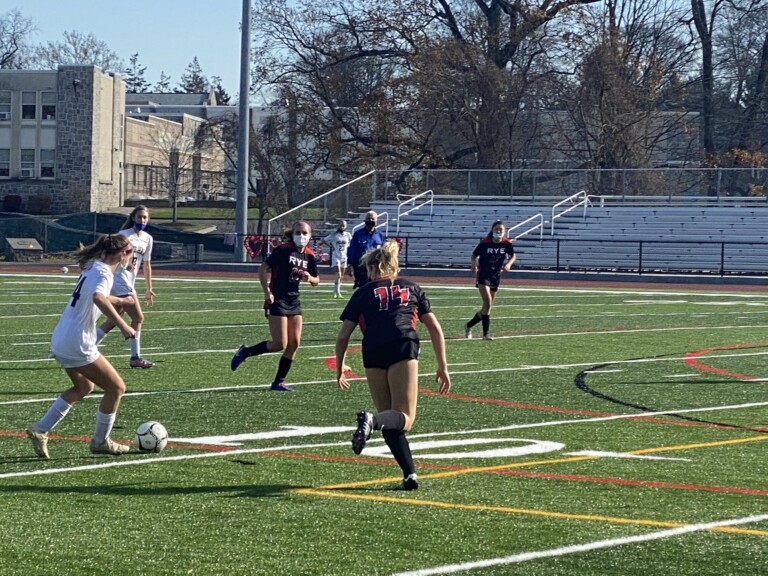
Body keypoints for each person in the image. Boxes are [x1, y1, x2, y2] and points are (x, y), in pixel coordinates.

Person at [335, 240, 451, 490]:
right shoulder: (412, 288)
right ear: (393, 265)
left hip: (373, 350)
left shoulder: (363, 292)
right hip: (402, 344)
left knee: (391, 418)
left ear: (372, 268)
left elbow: (343, 335)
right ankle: (371, 421)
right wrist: (442, 365)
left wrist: (340, 365)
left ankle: (409, 476)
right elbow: (434, 327)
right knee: (404, 418)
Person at [26, 234, 137, 459]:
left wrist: (122, 302)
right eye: (131, 253)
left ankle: (40, 429)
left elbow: (95, 296)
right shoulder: (105, 273)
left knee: (83, 388)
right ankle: (100, 441)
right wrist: (123, 324)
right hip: (77, 341)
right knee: (116, 388)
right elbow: (98, 297)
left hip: (61, 338)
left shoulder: (92, 266)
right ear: (123, 254)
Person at [230, 220, 320, 391]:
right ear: (292, 234)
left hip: (294, 301)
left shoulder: (309, 255)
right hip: (277, 299)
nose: (301, 236)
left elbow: (317, 280)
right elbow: (263, 268)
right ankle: (245, 352)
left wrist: (310, 278)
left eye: (305, 233)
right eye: (298, 233)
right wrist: (267, 292)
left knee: (294, 343)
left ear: (310, 235)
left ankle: (278, 381)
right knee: (280, 344)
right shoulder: (283, 250)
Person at [96, 205, 156, 368]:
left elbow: (146, 263)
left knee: (116, 317)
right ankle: (135, 357)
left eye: (145, 218)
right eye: (139, 217)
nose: (142, 220)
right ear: (133, 218)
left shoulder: (147, 238)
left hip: (129, 281)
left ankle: (90, 344)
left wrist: (148, 288)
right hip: (119, 279)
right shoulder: (123, 235)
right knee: (138, 318)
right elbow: (111, 255)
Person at [464, 219, 516, 340]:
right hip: (483, 275)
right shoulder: (485, 243)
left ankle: (468, 325)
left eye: (501, 230)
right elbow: (474, 255)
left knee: (487, 307)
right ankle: (485, 334)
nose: (498, 231)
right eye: (496, 229)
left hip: (496, 276)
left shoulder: (506, 243)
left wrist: (509, 264)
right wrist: (474, 264)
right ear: (492, 230)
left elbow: (513, 255)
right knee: (487, 302)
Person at [346, 210, 386, 289]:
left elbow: (383, 251)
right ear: (364, 220)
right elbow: (352, 249)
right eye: (368, 218)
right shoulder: (358, 234)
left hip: (375, 267)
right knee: (363, 288)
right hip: (361, 266)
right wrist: (350, 264)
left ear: (376, 221)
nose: (370, 221)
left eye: (372, 219)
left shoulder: (380, 235)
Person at [319, 219, 352, 298]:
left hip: (344, 256)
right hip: (336, 256)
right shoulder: (334, 235)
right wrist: (331, 246)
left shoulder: (348, 235)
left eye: (343, 225)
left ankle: (336, 291)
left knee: (341, 276)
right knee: (339, 274)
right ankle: (337, 292)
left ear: (346, 226)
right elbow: (323, 240)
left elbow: (351, 242)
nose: (342, 227)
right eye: (341, 225)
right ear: (338, 226)